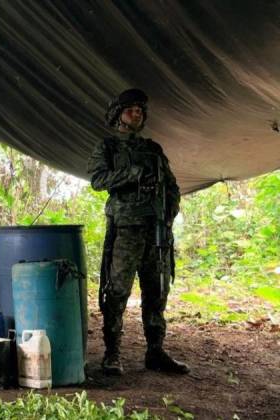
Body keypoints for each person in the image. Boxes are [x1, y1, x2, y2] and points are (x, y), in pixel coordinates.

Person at [87, 88, 189, 376]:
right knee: (117, 291)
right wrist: (133, 174)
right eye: (132, 109)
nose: (138, 113)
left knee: (157, 291)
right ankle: (112, 354)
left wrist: (169, 214)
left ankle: (155, 352)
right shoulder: (108, 147)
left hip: (156, 230)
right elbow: (98, 180)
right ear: (119, 115)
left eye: (141, 110)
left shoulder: (153, 149)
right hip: (126, 230)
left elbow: (172, 186)